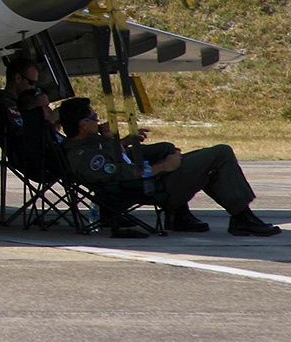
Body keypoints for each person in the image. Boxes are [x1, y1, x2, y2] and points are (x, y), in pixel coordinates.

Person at [57, 97, 281, 237]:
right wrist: (164, 167)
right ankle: (242, 217)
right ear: (83, 124)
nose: (98, 120)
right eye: (94, 118)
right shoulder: (85, 155)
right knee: (220, 153)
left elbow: (118, 162)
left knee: (168, 147)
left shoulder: (89, 144)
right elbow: (121, 174)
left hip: (146, 182)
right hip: (151, 187)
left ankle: (180, 216)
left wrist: (113, 141)